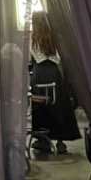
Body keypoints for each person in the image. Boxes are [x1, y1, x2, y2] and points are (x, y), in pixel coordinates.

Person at [30, 12, 80, 153]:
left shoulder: (33, 38)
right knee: (59, 105)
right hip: (53, 72)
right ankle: (60, 141)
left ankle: (43, 139)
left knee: (41, 106)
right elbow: (60, 57)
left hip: (39, 72)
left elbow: (31, 57)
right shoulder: (54, 37)